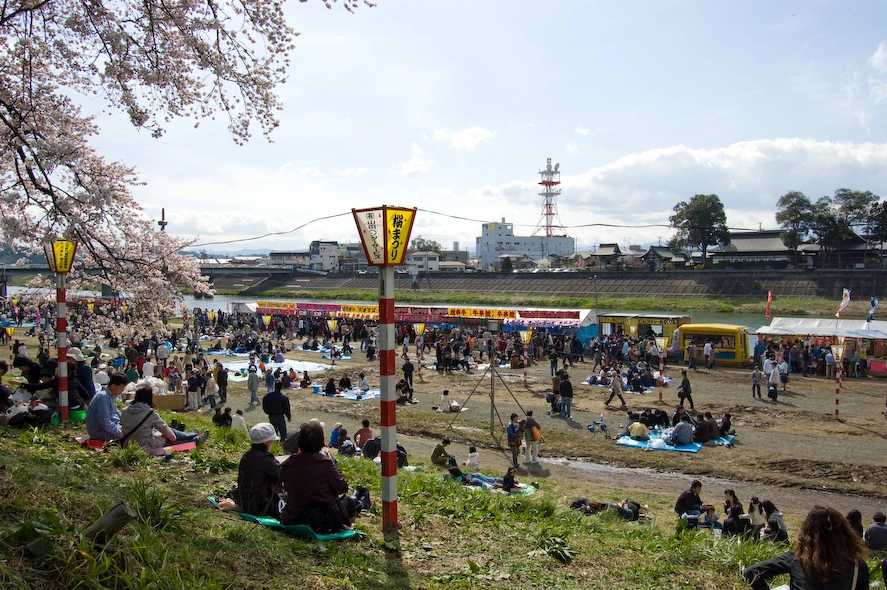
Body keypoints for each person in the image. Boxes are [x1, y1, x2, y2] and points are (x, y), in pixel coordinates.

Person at [743, 505, 869, 590]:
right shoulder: (857, 565)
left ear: (805, 533)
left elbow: (751, 572)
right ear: (844, 533)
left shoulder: (797, 557)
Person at [278, 422, 370, 533]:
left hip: (294, 515)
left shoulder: (287, 464)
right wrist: (333, 464)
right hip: (322, 517)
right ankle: (360, 501)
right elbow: (341, 488)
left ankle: (357, 498)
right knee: (346, 502)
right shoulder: (325, 464)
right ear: (321, 443)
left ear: (299, 442)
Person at [119, 386, 209, 452]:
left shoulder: (124, 411)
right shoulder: (150, 413)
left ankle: (191, 435)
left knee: (161, 431)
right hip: (145, 447)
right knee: (167, 436)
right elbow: (170, 436)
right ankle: (195, 439)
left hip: (128, 445)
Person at [229, 423, 281, 516]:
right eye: (271, 440)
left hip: (243, 496)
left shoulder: (248, 455)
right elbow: (281, 475)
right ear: (265, 442)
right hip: (256, 501)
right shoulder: (265, 459)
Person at [85, 373, 127, 441]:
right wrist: (121, 433)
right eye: (121, 389)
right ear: (113, 386)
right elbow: (105, 423)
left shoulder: (108, 396)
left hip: (109, 429)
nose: (121, 391)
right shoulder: (103, 397)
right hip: (100, 433)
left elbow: (117, 414)